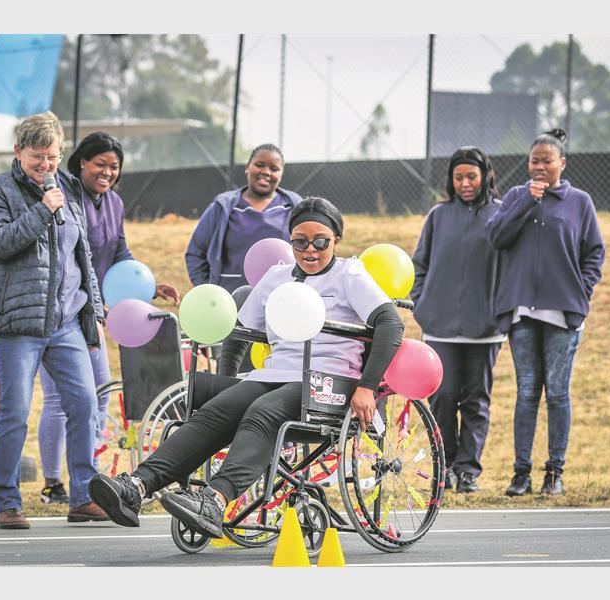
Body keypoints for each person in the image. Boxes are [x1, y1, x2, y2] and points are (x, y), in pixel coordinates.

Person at [89, 197, 405, 536]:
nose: (310, 249)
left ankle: (215, 499)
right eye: (300, 241)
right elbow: (239, 334)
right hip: (277, 374)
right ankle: (136, 486)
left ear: (335, 241)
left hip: (331, 380)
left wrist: (368, 387)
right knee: (215, 410)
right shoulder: (277, 278)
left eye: (320, 241)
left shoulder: (350, 274)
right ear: (291, 241)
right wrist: (228, 383)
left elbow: (391, 324)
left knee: (264, 410)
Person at [0, 112, 108, 528]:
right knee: (15, 410)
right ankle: (7, 502)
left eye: (52, 158)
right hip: (17, 323)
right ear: (18, 152)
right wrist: (41, 212)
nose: (46, 166)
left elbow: (81, 255)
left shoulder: (68, 188)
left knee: (85, 403)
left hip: (65, 322)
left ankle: (83, 496)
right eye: (38, 158)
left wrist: (94, 312)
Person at [37, 132, 180, 505]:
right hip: (60, 310)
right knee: (56, 400)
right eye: (100, 163)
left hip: (93, 313)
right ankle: (53, 482)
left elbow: (120, 253)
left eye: (114, 167)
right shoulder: (66, 195)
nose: (107, 172)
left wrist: (149, 286)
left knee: (100, 394)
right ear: (82, 162)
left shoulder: (114, 202)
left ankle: (90, 475)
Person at [485, 128, 605, 497]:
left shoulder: (580, 202)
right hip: (522, 313)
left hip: (562, 315)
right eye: (534, 160)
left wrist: (580, 293)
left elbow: (594, 253)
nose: (539, 166)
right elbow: (496, 237)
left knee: (557, 394)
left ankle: (555, 472)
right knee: (525, 394)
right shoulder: (517, 197)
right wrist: (526, 203)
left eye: (547, 160)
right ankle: (521, 473)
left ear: (561, 164)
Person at [410, 146, 504, 494]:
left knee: (476, 400)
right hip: (440, 327)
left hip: (486, 329)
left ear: (485, 177)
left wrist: (500, 311)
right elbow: (420, 264)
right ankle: (445, 466)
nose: (465, 183)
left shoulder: (501, 213)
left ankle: (468, 470)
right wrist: (422, 304)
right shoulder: (438, 215)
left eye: (472, 177)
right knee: (444, 396)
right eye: (459, 177)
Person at [184, 143, 301, 294]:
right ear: (247, 167)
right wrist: (208, 291)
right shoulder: (223, 207)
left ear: (281, 174)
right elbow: (196, 252)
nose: (266, 172)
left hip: (280, 300)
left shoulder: (294, 207)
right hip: (230, 301)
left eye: (274, 169)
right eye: (259, 165)